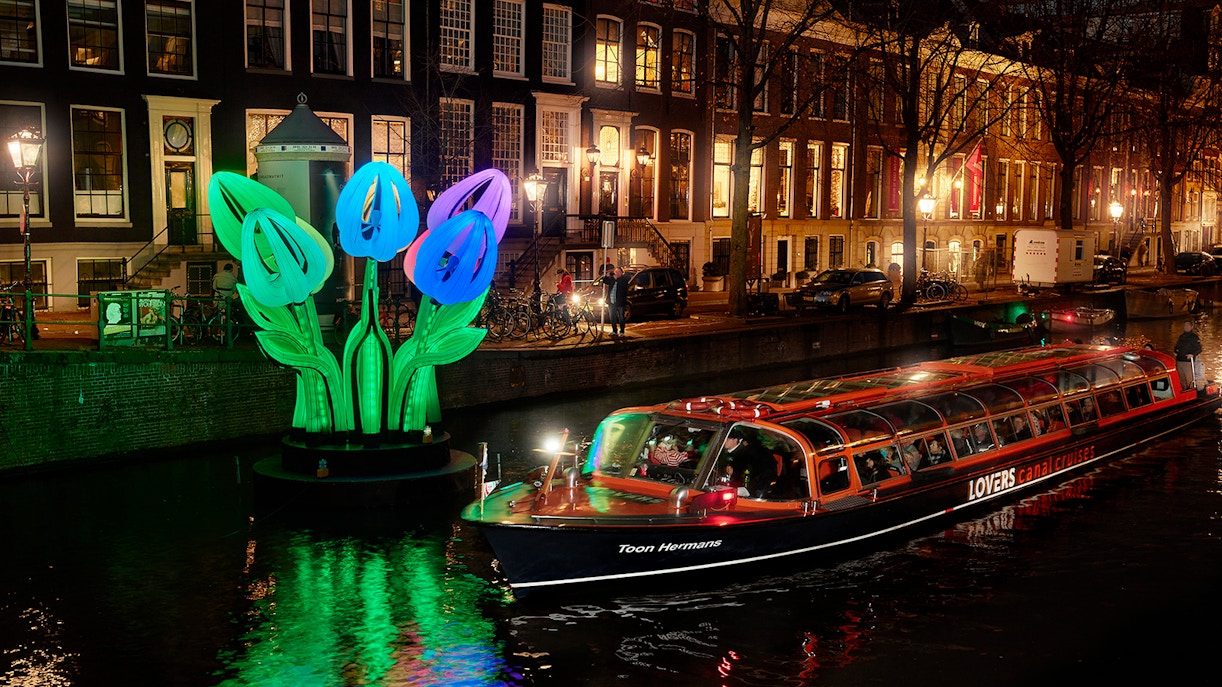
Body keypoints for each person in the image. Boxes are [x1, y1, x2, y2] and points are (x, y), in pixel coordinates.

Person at [722, 426, 778, 498]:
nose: (724, 441)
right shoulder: (731, 452)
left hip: (755, 488)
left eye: (728, 438)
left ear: (736, 440)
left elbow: (758, 470)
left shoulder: (752, 450)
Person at [601, 266, 630, 337]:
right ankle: (614, 330)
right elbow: (605, 281)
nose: (617, 273)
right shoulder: (612, 279)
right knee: (612, 317)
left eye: (619, 272)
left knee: (621, 317)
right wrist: (607, 276)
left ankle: (622, 331)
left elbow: (624, 285)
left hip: (620, 302)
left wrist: (616, 279)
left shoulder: (624, 279)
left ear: (621, 273)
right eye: (616, 272)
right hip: (611, 301)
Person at [1173, 319, 1202, 390]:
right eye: (1185, 325)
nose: (1186, 327)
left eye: (1188, 325)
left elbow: (1199, 349)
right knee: (1181, 380)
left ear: (1191, 327)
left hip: (1188, 362)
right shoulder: (1181, 336)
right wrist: (1175, 351)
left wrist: (1192, 354)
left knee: (1189, 380)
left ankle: (1191, 392)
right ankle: (1183, 392)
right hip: (1179, 361)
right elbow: (1176, 346)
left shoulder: (1194, 337)